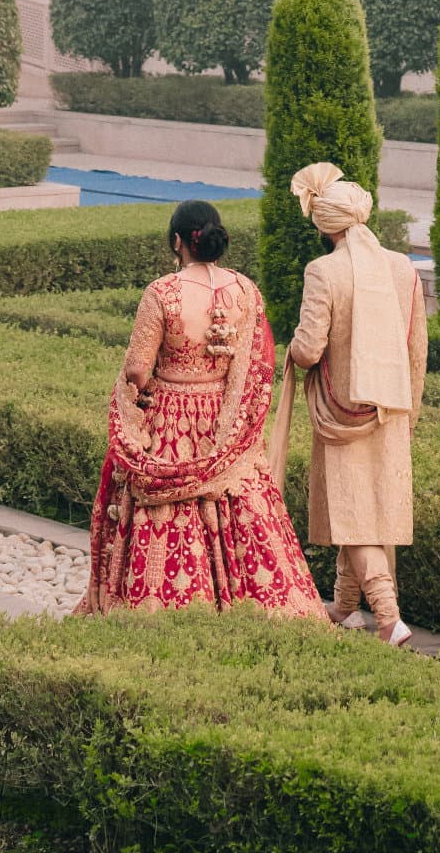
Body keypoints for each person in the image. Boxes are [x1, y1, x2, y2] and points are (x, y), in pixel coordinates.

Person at [75, 200, 327, 619]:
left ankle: (158, 606)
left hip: (170, 420)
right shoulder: (246, 291)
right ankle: (264, 607)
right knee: (241, 501)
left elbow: (138, 368)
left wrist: (137, 390)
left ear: (178, 242)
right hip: (226, 423)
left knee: (166, 514)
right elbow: (254, 364)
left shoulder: (162, 293)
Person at [273, 163, 427, 649]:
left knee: (354, 509)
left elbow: (309, 348)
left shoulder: (323, 271)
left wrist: (291, 352)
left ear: (324, 224)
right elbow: (417, 348)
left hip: (340, 409)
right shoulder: (403, 268)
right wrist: (410, 411)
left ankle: (388, 617)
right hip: (392, 406)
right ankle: (344, 605)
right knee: (365, 504)